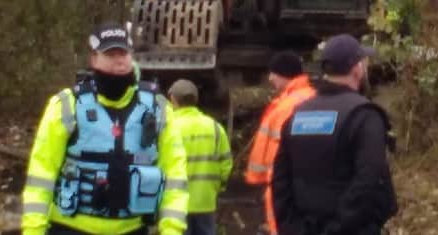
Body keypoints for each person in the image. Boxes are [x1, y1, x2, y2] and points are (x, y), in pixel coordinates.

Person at [21, 22, 189, 235]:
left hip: (133, 230)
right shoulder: (66, 106)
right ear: (94, 59)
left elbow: (175, 175)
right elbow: (41, 174)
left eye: (123, 53)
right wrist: (33, 230)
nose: (118, 60)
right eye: (110, 54)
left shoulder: (158, 109)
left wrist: (172, 230)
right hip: (70, 228)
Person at [272, 34, 397, 235]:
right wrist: (337, 228)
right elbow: (370, 179)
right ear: (357, 69)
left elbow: (280, 181)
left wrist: (291, 228)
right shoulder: (364, 116)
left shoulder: (297, 115)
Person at [245, 51, 316, 235]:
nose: (270, 78)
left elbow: (279, 150)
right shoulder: (306, 98)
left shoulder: (288, 106)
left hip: (282, 186)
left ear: (284, 74)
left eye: (273, 73)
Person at [167, 79, 232, 235]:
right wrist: (217, 187)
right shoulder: (214, 127)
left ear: (173, 100)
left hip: (176, 204)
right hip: (206, 201)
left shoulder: (169, 128)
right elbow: (226, 165)